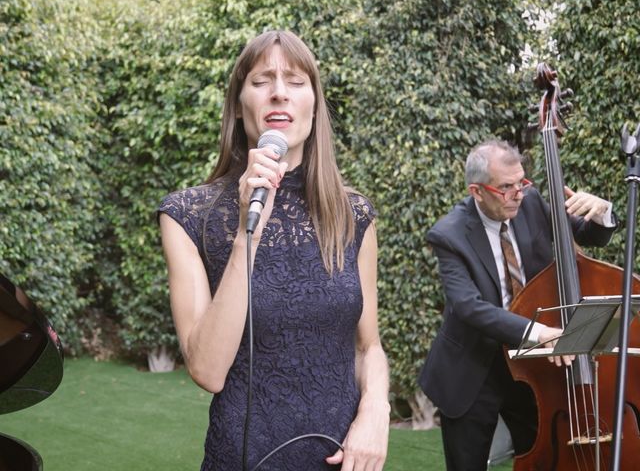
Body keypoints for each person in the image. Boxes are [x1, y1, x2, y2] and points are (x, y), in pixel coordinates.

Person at [157, 30, 389, 471]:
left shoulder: (353, 215)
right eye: (262, 80)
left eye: (296, 82)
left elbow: (368, 347)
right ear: (240, 102)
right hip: (244, 458)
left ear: (314, 105)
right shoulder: (188, 215)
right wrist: (250, 232)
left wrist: (376, 412)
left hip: (342, 459)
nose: (280, 93)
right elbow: (207, 370)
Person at [418, 139, 617, 470]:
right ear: (477, 191)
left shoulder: (532, 202)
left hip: (531, 367)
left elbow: (584, 234)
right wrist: (539, 332)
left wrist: (601, 213)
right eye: (506, 187)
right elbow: (468, 307)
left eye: (521, 182)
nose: (518, 194)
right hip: (474, 368)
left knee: (542, 457)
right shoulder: (448, 235)